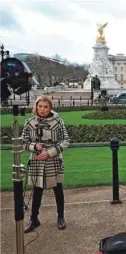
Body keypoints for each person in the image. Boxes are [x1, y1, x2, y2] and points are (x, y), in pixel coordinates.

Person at [22, 96, 70, 233]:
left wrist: (49, 153)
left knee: (58, 190)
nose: (42, 109)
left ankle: (60, 217)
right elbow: (23, 142)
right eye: (40, 106)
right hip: (37, 160)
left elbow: (66, 141)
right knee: (37, 191)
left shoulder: (58, 122)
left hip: (53, 160)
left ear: (50, 108)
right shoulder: (29, 122)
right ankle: (34, 219)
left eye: (46, 107)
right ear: (36, 107)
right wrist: (34, 146)